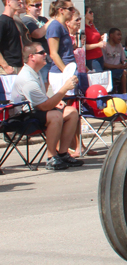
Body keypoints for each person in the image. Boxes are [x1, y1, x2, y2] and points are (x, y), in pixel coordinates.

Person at [11, 42, 82, 171]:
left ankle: (63, 153)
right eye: (42, 53)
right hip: (22, 118)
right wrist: (64, 88)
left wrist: (55, 101)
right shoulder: (27, 78)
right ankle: (51, 157)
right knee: (55, 116)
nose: (45, 55)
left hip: (35, 111)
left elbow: (42, 101)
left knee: (71, 112)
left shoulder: (35, 72)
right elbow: (43, 107)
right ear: (32, 57)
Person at [1, 0, 30, 75]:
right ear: (8, 1)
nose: (20, 1)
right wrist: (5, 66)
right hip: (9, 68)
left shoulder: (14, 21)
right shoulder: (2, 21)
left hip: (18, 66)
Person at [45, 0, 76, 77]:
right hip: (60, 73)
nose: (73, 11)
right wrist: (66, 73)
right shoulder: (55, 26)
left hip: (69, 69)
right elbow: (53, 54)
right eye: (70, 9)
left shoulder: (63, 25)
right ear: (61, 10)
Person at [103, 27, 127, 93]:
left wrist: (126, 63)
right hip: (109, 70)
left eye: (120, 35)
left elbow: (124, 59)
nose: (120, 37)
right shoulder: (105, 46)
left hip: (119, 68)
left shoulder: (119, 45)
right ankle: (124, 94)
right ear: (111, 35)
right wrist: (117, 66)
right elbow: (103, 64)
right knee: (124, 73)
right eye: (118, 35)